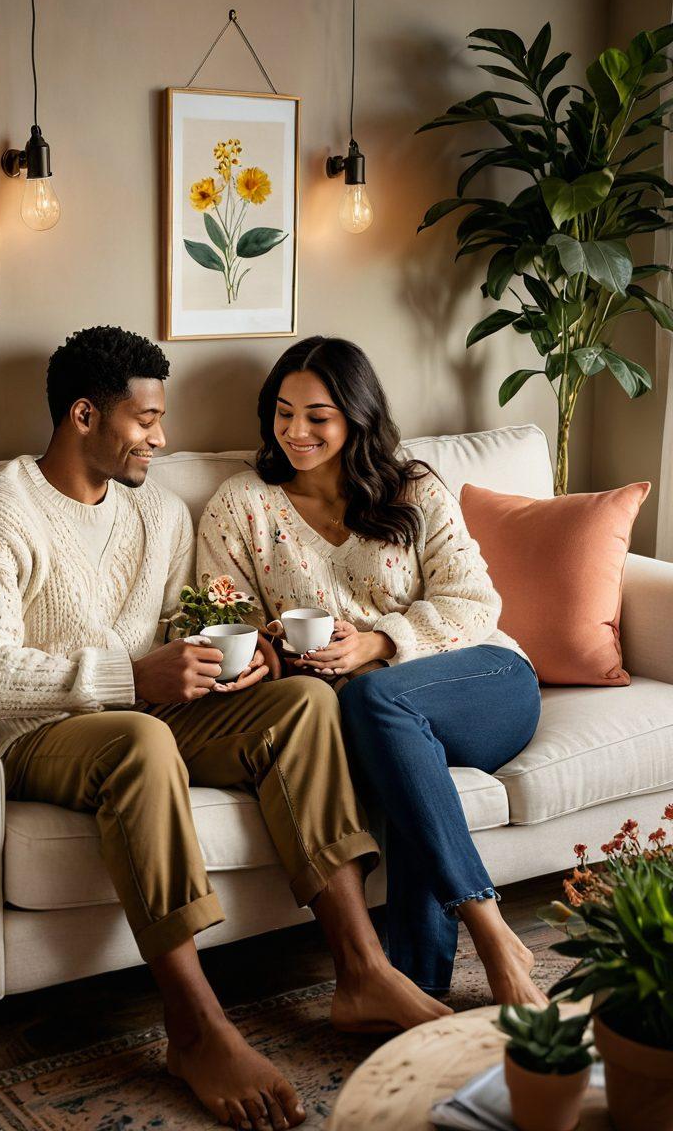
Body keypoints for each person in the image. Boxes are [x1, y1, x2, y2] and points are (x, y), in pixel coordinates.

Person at [0, 326, 451, 1131]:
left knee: (304, 702)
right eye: (146, 421)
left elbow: (192, 622)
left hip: (156, 713)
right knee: (140, 738)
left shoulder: (164, 515)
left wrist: (236, 663)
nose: (162, 437)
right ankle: (195, 1025)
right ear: (83, 415)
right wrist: (127, 678)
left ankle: (361, 969)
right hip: (43, 734)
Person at [196, 335, 546, 1006]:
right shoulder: (241, 505)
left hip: (484, 681)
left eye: (318, 416)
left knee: (376, 701)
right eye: (283, 412)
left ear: (357, 417)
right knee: (391, 741)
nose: (296, 431)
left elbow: (475, 603)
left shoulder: (412, 487)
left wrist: (380, 642)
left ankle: (492, 931)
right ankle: (420, 988)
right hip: (373, 718)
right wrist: (275, 646)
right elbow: (226, 615)